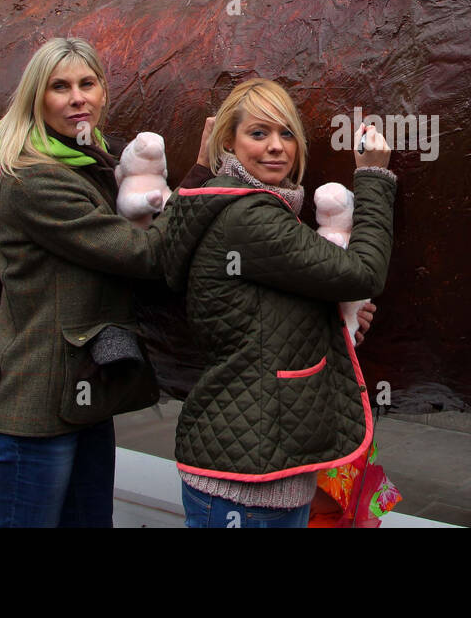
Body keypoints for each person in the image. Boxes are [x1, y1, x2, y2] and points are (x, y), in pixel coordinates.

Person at [0, 36, 216, 527]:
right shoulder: (36, 179)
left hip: (81, 394)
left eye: (87, 83)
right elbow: (144, 253)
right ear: (36, 99)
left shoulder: (94, 162)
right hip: (36, 406)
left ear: (104, 92)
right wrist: (199, 175)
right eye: (59, 87)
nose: (77, 97)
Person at [163, 78, 397, 527]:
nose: (276, 147)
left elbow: (264, 320)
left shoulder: (243, 208)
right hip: (243, 482)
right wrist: (373, 177)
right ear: (226, 142)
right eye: (258, 133)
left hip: (260, 470)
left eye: (286, 134)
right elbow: (364, 273)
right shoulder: (251, 216)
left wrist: (335, 319)